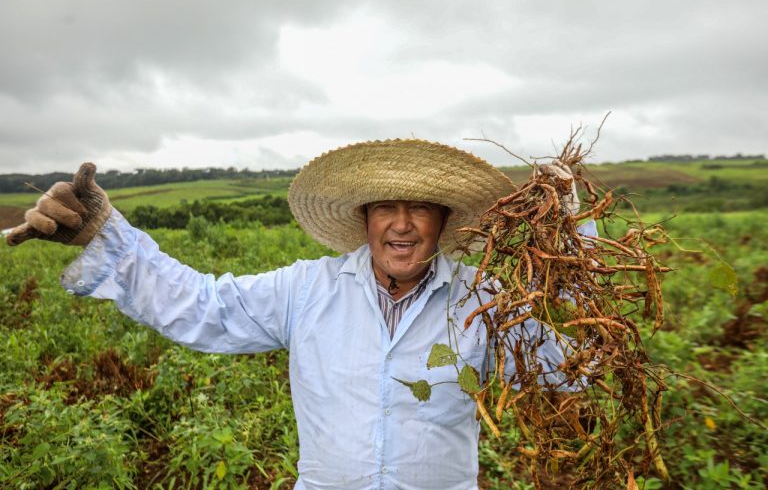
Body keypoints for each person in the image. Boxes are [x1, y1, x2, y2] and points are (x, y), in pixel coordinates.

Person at [7, 139, 594, 490]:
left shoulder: (482, 303)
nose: (403, 224)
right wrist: (108, 237)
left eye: (420, 208)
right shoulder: (308, 290)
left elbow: (570, 373)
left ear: (442, 222)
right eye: (386, 207)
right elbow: (204, 306)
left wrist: (576, 249)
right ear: (364, 221)